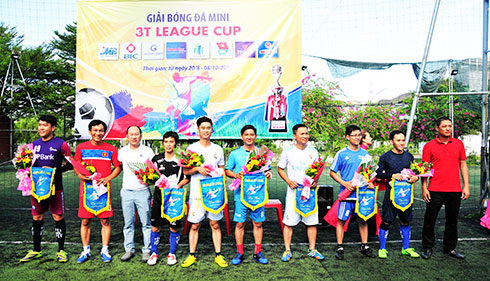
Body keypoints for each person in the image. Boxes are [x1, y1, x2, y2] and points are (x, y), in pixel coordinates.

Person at [19, 115, 72, 263]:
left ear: (53, 127)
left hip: (56, 189)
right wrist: (24, 170)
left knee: (58, 217)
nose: (41, 128)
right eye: (40, 125)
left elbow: (71, 164)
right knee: (37, 217)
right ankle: (36, 250)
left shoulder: (61, 144)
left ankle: (61, 251)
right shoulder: (33, 145)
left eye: (45, 125)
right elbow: (28, 164)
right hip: (37, 189)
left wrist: (54, 169)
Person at [181, 116, 228, 268]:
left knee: (215, 224)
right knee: (194, 225)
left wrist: (220, 178)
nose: (206, 130)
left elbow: (222, 169)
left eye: (208, 128)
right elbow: (186, 171)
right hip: (197, 194)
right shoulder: (192, 149)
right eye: (203, 128)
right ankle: (192, 255)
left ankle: (218, 255)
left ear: (211, 130)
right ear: (198, 129)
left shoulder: (218, 149)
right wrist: (196, 169)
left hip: (214, 193)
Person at [420, 117, 469, 259]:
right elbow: (425, 168)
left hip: (455, 189)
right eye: (444, 126)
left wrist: (465, 186)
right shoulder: (429, 146)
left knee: (452, 220)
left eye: (449, 126)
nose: (448, 128)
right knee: (430, 219)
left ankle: (450, 248)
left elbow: (463, 164)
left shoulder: (459, 144)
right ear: (437, 128)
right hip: (434, 189)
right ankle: (427, 247)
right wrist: (424, 187)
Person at [74, 119, 121, 263]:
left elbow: (118, 167)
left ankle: (105, 250)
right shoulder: (81, 147)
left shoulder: (111, 149)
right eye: (95, 130)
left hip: (103, 191)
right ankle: (86, 250)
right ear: (90, 131)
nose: (97, 133)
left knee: (105, 220)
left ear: (104, 132)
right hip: (86, 191)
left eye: (100, 130)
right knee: (85, 221)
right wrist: (81, 175)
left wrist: (108, 178)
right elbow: (76, 165)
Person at [277, 124, 325, 262]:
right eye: (302, 134)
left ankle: (312, 249)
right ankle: (287, 250)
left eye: (306, 133)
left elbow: (317, 170)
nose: (305, 136)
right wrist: (288, 181)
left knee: (312, 221)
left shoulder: (314, 152)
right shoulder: (288, 151)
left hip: (309, 192)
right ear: (294, 136)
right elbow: (280, 169)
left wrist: (315, 180)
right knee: (289, 222)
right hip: (294, 191)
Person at [225, 125, 272, 265]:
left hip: (258, 194)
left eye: (252, 134)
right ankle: (239, 252)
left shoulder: (261, 153)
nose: (249, 137)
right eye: (246, 134)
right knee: (240, 223)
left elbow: (267, 170)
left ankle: (258, 252)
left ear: (255, 136)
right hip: (241, 195)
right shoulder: (235, 154)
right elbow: (227, 170)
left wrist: (268, 174)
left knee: (257, 223)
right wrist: (235, 175)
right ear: (242, 137)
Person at [330, 125, 376, 260]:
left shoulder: (365, 154)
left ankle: (365, 246)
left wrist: (370, 182)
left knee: (363, 219)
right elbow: (332, 172)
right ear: (347, 137)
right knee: (341, 220)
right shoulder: (341, 153)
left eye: (359, 135)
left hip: (362, 195)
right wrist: (344, 183)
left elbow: (370, 173)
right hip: (347, 195)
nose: (357, 137)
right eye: (354, 135)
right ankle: (339, 246)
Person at [375, 130, 420, 259]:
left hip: (406, 195)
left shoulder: (409, 156)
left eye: (403, 140)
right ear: (391, 141)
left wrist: (415, 178)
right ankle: (382, 248)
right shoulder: (385, 157)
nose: (401, 143)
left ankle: (406, 248)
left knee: (405, 221)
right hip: (391, 195)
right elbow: (378, 174)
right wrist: (391, 175)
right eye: (398, 140)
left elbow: (415, 172)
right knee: (387, 221)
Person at [148, 131, 190, 266]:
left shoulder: (181, 159)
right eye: (166, 141)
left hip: (174, 197)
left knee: (174, 227)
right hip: (159, 197)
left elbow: (187, 178)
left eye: (171, 142)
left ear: (176, 144)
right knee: (155, 226)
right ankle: (154, 253)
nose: (168, 144)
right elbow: (150, 175)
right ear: (163, 143)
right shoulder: (156, 159)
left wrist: (178, 185)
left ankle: (172, 253)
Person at [118, 126, 155, 262]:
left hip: (143, 191)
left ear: (141, 136)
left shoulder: (148, 151)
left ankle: (147, 250)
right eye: (131, 134)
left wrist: (150, 179)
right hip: (126, 191)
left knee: (146, 223)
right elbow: (119, 167)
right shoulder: (122, 152)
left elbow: (153, 170)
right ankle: (129, 249)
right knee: (128, 223)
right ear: (127, 136)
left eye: (137, 134)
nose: (134, 137)